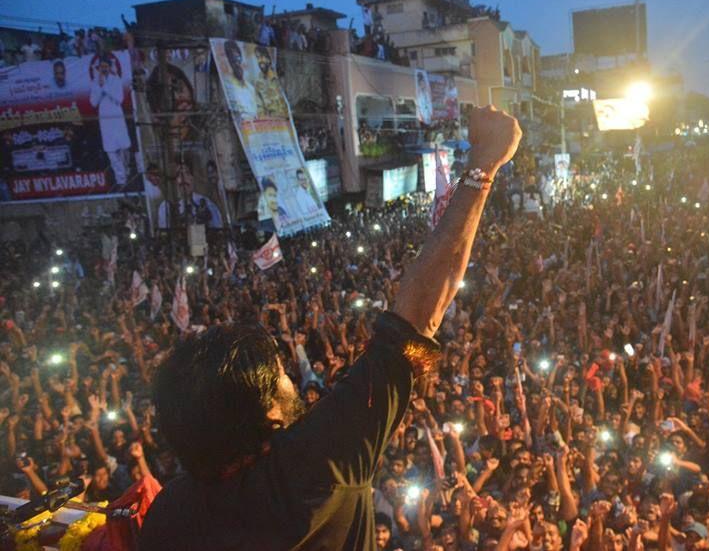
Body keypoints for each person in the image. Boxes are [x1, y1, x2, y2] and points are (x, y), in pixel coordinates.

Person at [138, 106, 522, 550]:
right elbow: (415, 322)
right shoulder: (313, 468)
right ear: (268, 415)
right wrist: (483, 168)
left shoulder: (168, 515)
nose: (292, 379)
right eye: (281, 374)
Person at [89, 56, 132, 189]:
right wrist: (100, 87)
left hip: (117, 119)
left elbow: (119, 99)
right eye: (101, 67)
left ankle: (126, 171)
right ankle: (121, 180)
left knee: (124, 149)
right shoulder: (96, 82)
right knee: (111, 152)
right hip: (105, 121)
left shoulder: (116, 80)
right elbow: (93, 102)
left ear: (109, 67)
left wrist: (105, 87)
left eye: (106, 66)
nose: (103, 69)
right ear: (99, 68)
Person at [156, 162, 223, 229]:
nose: (183, 178)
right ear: (176, 181)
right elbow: (165, 235)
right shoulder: (166, 207)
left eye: (187, 173)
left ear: (192, 178)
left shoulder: (207, 204)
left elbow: (218, 231)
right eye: (179, 174)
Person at [253, 46, 287, 117]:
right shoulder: (258, 83)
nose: (260, 61)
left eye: (262, 57)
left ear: (268, 59)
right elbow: (260, 108)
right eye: (258, 58)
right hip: (272, 122)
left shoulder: (278, 78)